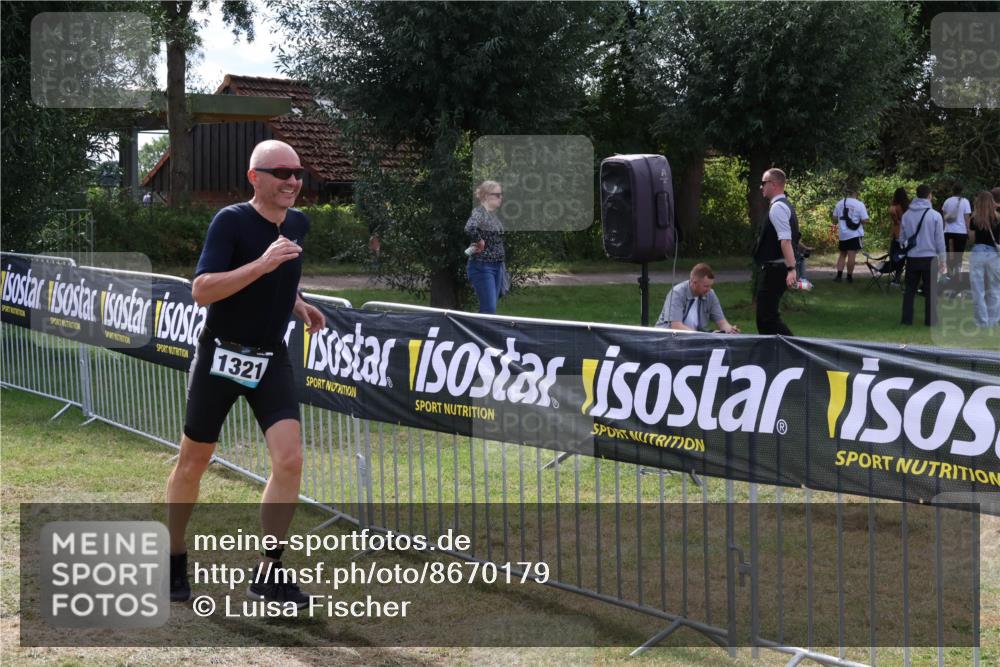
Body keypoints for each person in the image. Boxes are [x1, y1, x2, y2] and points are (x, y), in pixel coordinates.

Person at [166, 140, 326, 606]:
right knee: (194, 462)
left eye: (297, 172)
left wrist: (297, 305)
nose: (292, 181)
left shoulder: (297, 224)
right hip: (219, 356)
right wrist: (261, 263)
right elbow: (202, 290)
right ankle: (173, 557)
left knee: (290, 460)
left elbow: (279, 279)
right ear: (254, 176)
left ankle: (269, 572)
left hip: (269, 357)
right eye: (280, 172)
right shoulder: (231, 221)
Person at [752, 168, 799, 336]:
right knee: (767, 317)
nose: (761, 187)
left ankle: (795, 351)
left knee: (766, 318)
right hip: (776, 268)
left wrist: (791, 269)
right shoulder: (786, 206)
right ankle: (775, 355)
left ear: (774, 184)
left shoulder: (778, 208)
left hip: (775, 269)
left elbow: (785, 240)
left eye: (763, 183)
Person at [900, 184, 946, 326]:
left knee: (910, 290)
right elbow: (939, 240)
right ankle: (931, 321)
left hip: (912, 257)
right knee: (931, 291)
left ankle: (906, 320)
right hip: (929, 257)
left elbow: (902, 239)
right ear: (929, 195)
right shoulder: (935, 215)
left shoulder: (907, 215)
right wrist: (943, 259)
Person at [654, 263, 740, 333]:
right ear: (694, 283)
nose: (709, 289)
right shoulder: (677, 293)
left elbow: (722, 323)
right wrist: (702, 336)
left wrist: (730, 330)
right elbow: (676, 326)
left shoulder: (710, 294)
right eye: (706, 286)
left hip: (695, 339)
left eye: (711, 286)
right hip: (668, 340)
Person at [465, 180, 507, 314]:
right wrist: (480, 241)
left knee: (489, 309)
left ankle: (477, 334)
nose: (501, 198)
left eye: (501, 194)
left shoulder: (492, 215)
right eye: (497, 195)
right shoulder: (479, 212)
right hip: (482, 267)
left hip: (496, 266)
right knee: (489, 310)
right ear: (486, 196)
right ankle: (477, 334)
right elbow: (469, 227)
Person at [967, 190, 1000, 328]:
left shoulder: (974, 219)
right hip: (994, 254)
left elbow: (971, 239)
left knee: (978, 289)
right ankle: (993, 321)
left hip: (978, 252)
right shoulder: (998, 218)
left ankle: (982, 322)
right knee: (995, 289)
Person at [830, 187, 869, 283]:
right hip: (854, 234)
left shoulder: (839, 203)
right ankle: (849, 277)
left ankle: (839, 276)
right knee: (852, 255)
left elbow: (834, 218)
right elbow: (865, 220)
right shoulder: (859, 204)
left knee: (842, 254)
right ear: (856, 193)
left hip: (843, 234)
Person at [941, 182, 972, 286]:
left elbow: (944, 217)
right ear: (961, 191)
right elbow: (967, 218)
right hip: (960, 232)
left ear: (952, 191)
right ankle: (957, 276)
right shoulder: (965, 202)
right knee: (959, 255)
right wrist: (968, 230)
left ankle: (949, 275)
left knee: (949, 254)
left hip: (948, 231)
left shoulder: (947, 201)